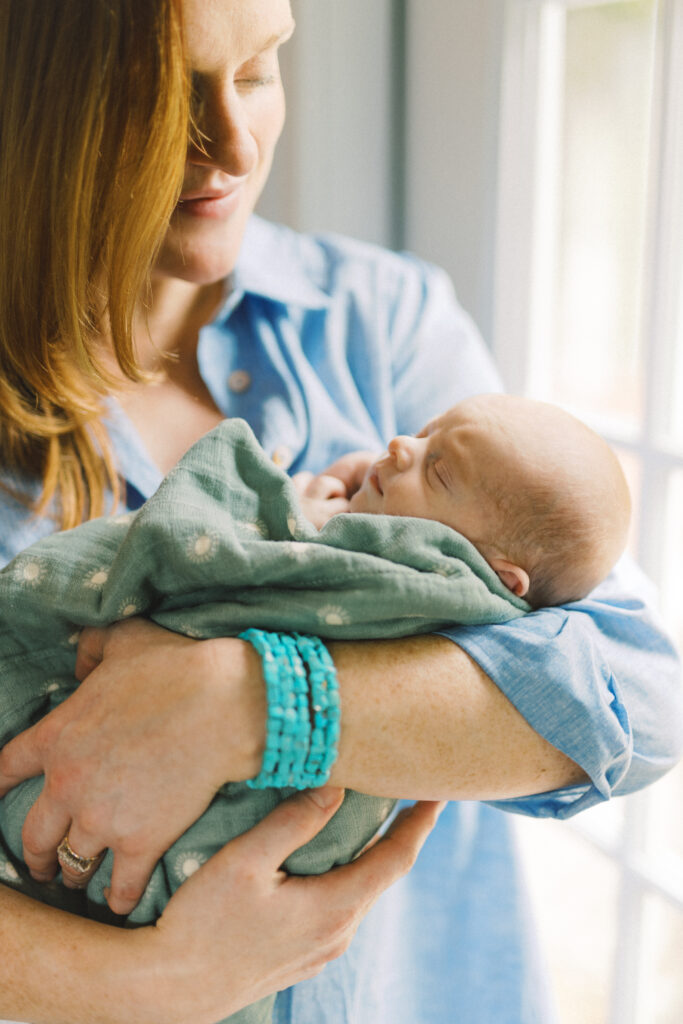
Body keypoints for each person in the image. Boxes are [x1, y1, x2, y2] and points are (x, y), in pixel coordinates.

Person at [0, 1, 680, 1023]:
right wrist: (152, 983)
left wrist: (248, 705)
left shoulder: (379, 318)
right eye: (163, 97)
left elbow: (633, 691)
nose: (233, 145)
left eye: (261, 70)